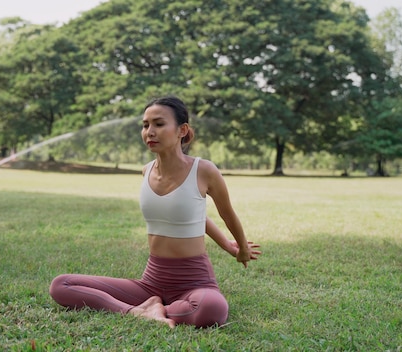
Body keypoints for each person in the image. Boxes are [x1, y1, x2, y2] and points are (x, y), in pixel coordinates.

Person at [49, 95, 261, 328]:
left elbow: (225, 214)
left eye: (159, 124)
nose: (150, 132)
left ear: (182, 130)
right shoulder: (146, 171)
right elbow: (183, 214)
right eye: (145, 125)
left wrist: (236, 247)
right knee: (61, 285)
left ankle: (157, 308)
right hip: (152, 282)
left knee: (212, 309)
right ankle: (138, 311)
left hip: (194, 282)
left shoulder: (204, 170)